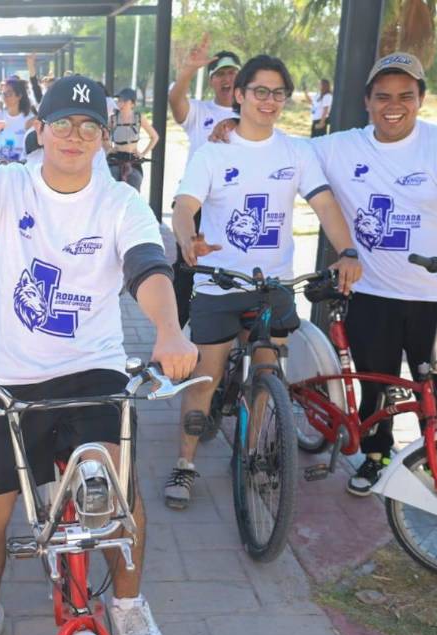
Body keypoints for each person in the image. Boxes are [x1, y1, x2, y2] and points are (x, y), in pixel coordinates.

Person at [0, 71, 198, 635]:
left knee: (119, 497)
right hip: (11, 378)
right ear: (39, 129)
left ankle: (129, 603)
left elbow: (147, 268)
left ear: (105, 137)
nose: (74, 136)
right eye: (61, 124)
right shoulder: (12, 189)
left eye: (89, 126)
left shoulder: (121, 202)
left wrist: (169, 330)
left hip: (91, 373)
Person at [164, 55, 361, 509]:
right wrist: (187, 239)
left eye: (278, 93)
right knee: (205, 379)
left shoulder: (297, 152)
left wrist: (347, 251)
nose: (269, 101)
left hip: (273, 285)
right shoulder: (214, 152)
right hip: (218, 283)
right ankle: (185, 463)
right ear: (239, 95)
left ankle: (251, 455)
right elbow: (182, 205)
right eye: (260, 91)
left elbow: (327, 205)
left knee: (268, 374)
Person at [307, 53, 437, 494]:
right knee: (376, 384)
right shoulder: (340, 146)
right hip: (371, 293)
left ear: (421, 100)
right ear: (367, 101)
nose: (395, 105)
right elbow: (281, 150)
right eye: (384, 96)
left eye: (406, 96)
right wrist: (230, 129)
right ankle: (375, 456)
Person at [168, 34, 243, 330]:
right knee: (188, 269)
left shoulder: (251, 114)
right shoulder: (200, 112)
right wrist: (188, 70)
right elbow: (175, 101)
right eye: (221, 73)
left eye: (233, 73)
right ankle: (173, 337)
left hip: (233, 207)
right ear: (212, 80)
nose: (227, 78)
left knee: (231, 268)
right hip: (196, 205)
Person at [107, 87, 158, 191]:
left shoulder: (139, 118)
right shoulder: (113, 118)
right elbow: (101, 134)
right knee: (112, 190)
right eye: (119, 100)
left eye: (124, 101)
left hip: (133, 160)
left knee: (134, 190)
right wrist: (108, 148)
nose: (121, 104)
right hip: (115, 159)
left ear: (132, 104)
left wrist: (143, 154)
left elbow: (154, 137)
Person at [0, 77, 35, 163]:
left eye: (9, 94)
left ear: (19, 96)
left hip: (20, 165)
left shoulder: (29, 119)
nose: (5, 97)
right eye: (3, 94)